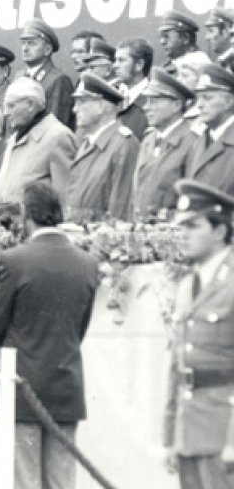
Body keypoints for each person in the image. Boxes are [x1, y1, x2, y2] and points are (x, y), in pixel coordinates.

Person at [0, 182, 99, 489]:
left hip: (22, 387)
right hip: (66, 384)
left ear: (26, 215)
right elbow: (80, 328)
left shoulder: (13, 261)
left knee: (24, 480)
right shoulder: (88, 264)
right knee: (62, 482)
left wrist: (3, 368)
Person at [163, 179, 234, 489]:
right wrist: (168, 436)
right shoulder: (187, 285)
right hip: (188, 430)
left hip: (222, 429)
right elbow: (177, 367)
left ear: (219, 231)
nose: (184, 234)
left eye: (193, 226)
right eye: (181, 226)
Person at [65, 73, 140, 221]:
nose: (74, 109)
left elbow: (121, 210)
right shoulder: (87, 141)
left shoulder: (123, 145)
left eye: (81, 102)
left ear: (100, 106)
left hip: (103, 240)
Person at [0, 79, 77, 206]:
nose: (5, 113)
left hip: (40, 225)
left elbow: (66, 199)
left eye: (11, 106)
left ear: (30, 105)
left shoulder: (58, 137)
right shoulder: (14, 139)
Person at [133, 69, 198, 218]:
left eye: (154, 101)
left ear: (176, 105)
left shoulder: (192, 141)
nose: (146, 107)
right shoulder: (149, 139)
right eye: (146, 101)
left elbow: (193, 202)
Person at [186, 64, 234, 195]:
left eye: (207, 98)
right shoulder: (198, 142)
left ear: (229, 101)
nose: (199, 105)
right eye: (198, 98)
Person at [19, 18, 75, 128]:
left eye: (31, 43)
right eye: (23, 43)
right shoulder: (20, 79)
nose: (25, 48)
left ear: (47, 49)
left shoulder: (58, 80)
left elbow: (56, 129)